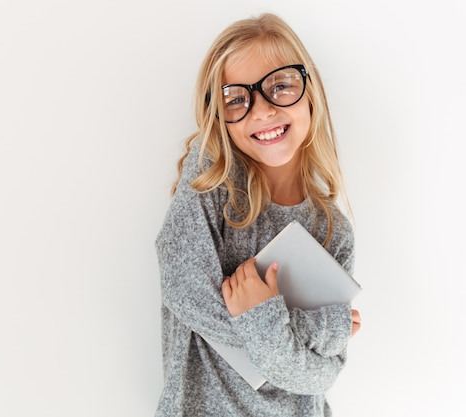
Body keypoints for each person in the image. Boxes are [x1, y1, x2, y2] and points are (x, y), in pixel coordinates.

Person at [155, 12, 361, 417]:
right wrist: (319, 327)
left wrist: (261, 316)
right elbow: (182, 287)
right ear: (221, 117)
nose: (261, 110)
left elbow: (321, 377)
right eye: (237, 98)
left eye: (280, 86)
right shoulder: (212, 178)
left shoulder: (332, 231)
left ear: (310, 92)